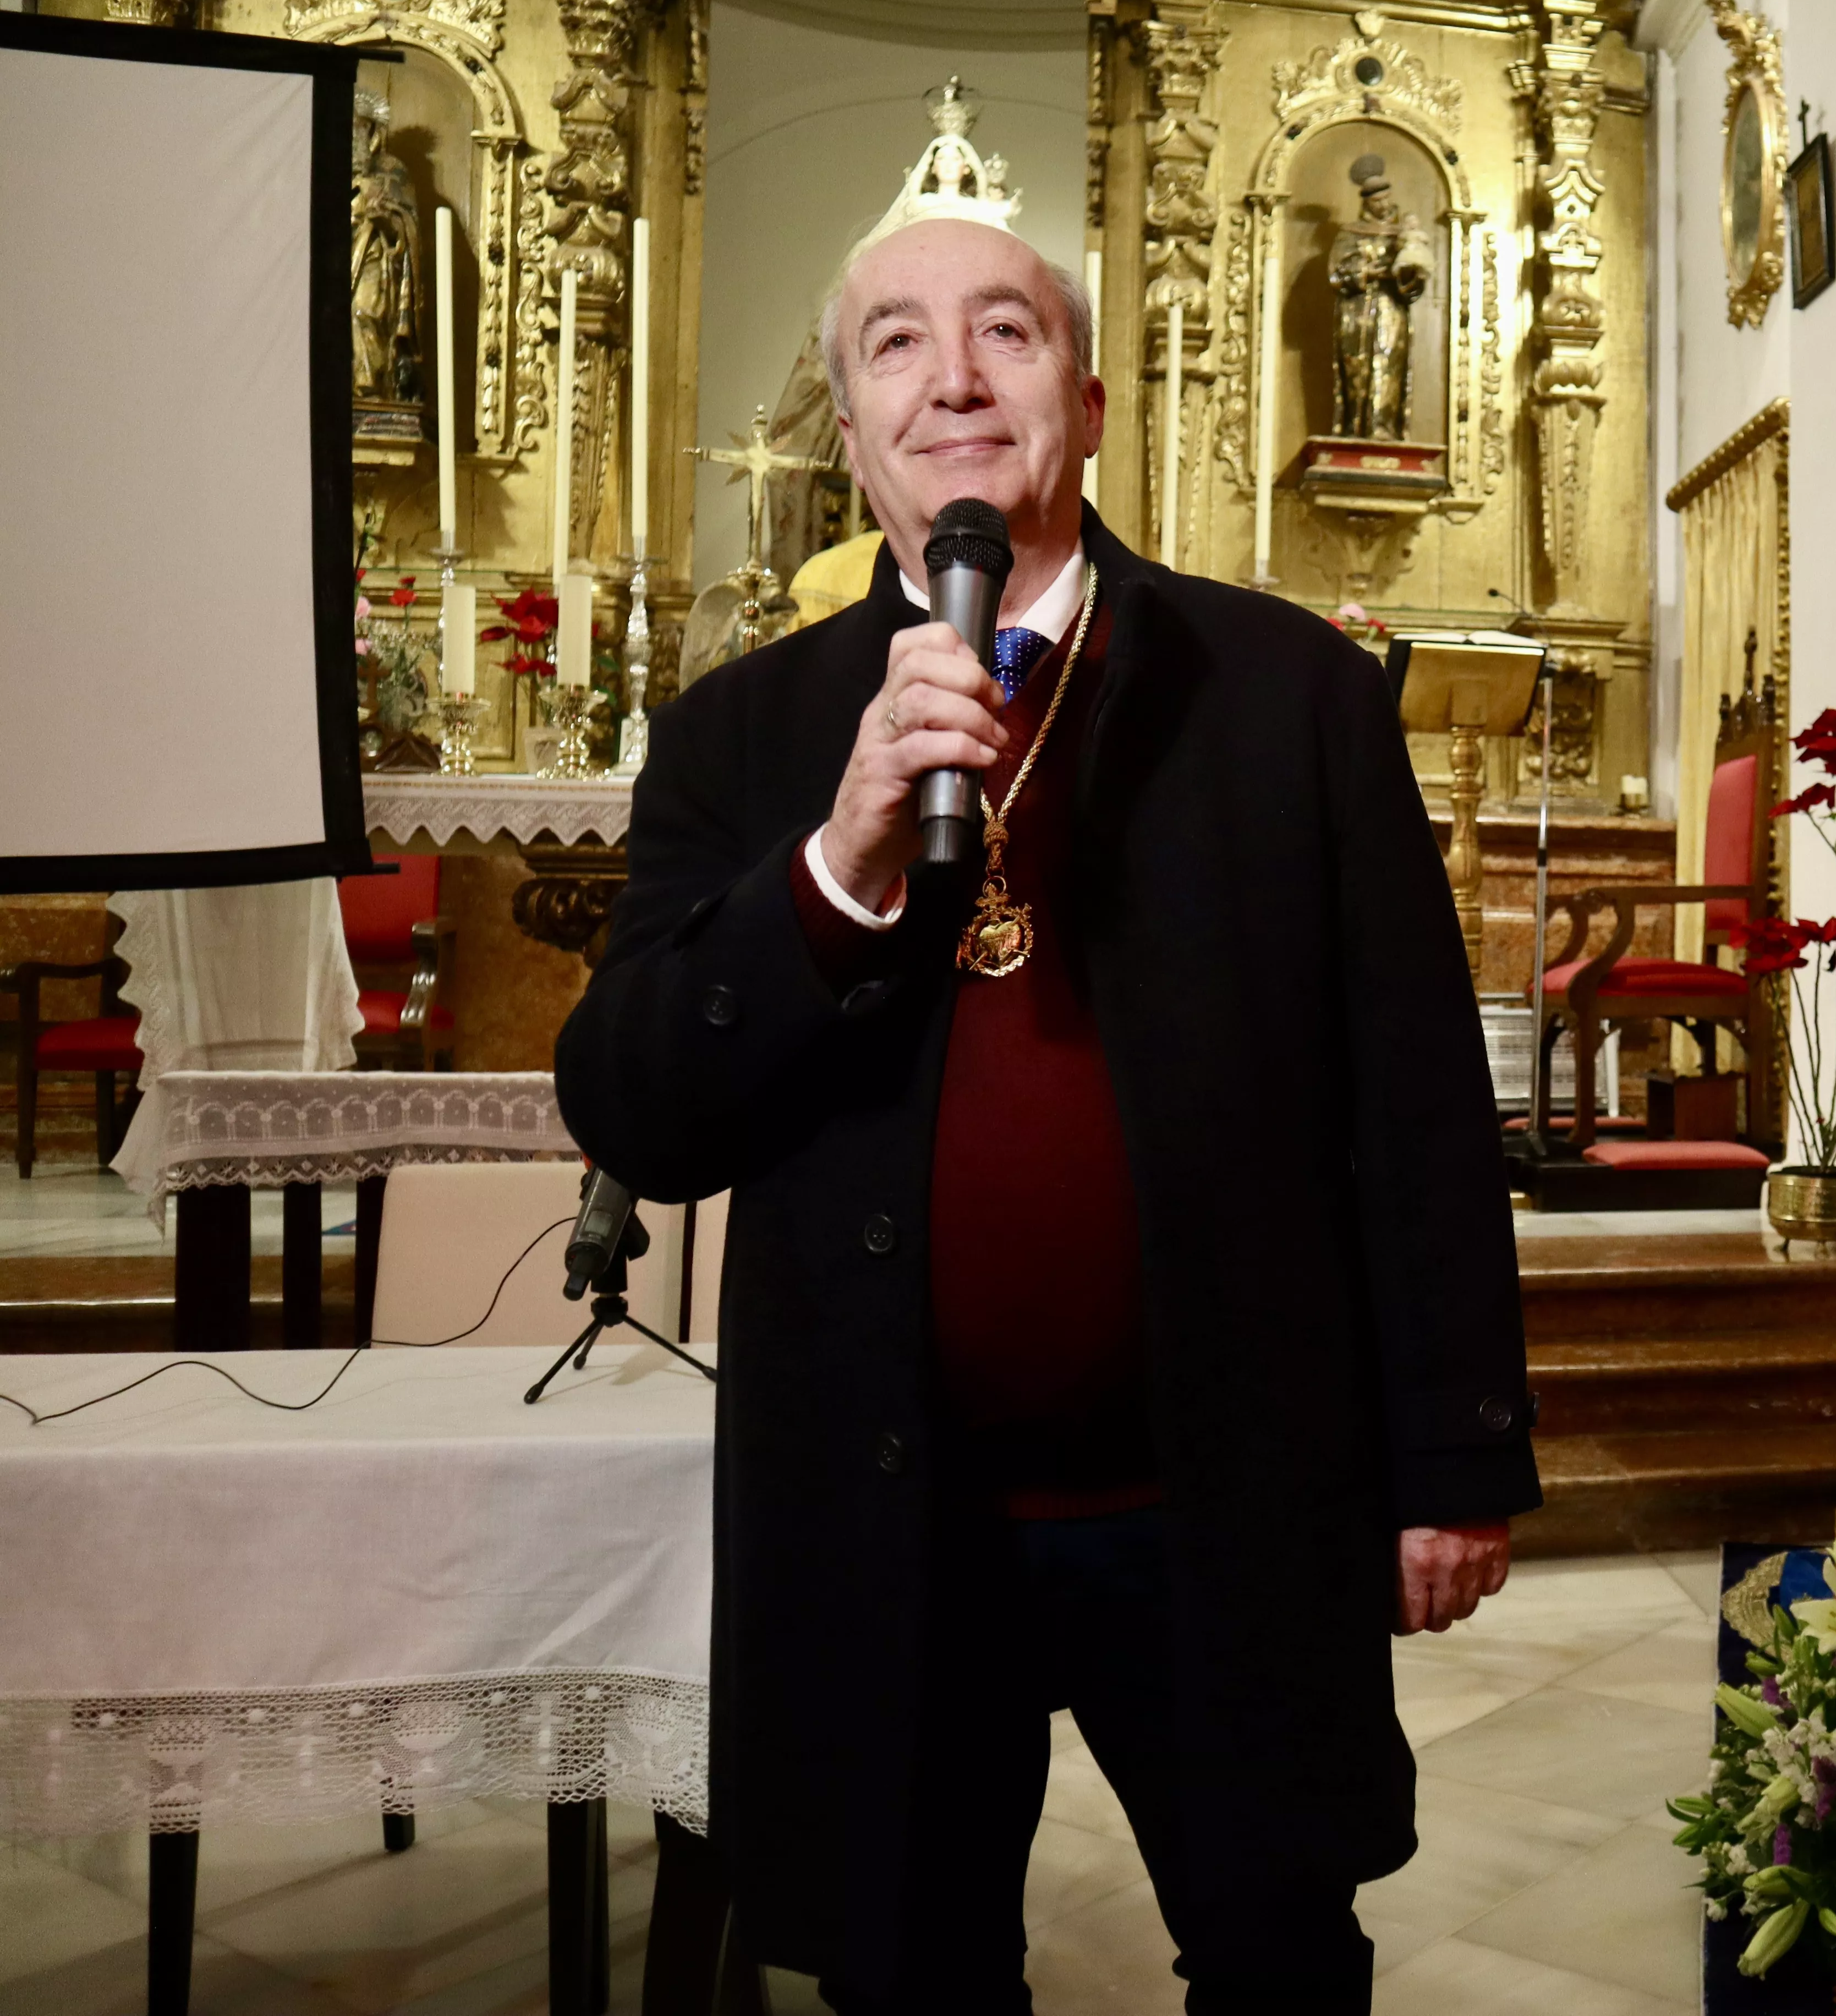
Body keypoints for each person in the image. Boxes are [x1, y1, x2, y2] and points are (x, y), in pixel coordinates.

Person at [555, 205, 1537, 2012]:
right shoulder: (742, 740)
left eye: (1003, 333)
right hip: (885, 1511)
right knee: (915, 1972)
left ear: (1083, 405)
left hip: (1226, 1487)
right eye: (896, 347)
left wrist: (1456, 1454)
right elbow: (636, 1107)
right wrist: (835, 866)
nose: (952, 379)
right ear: (848, 433)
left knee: (1280, 1953)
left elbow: (1412, 1099)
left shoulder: (1291, 694)